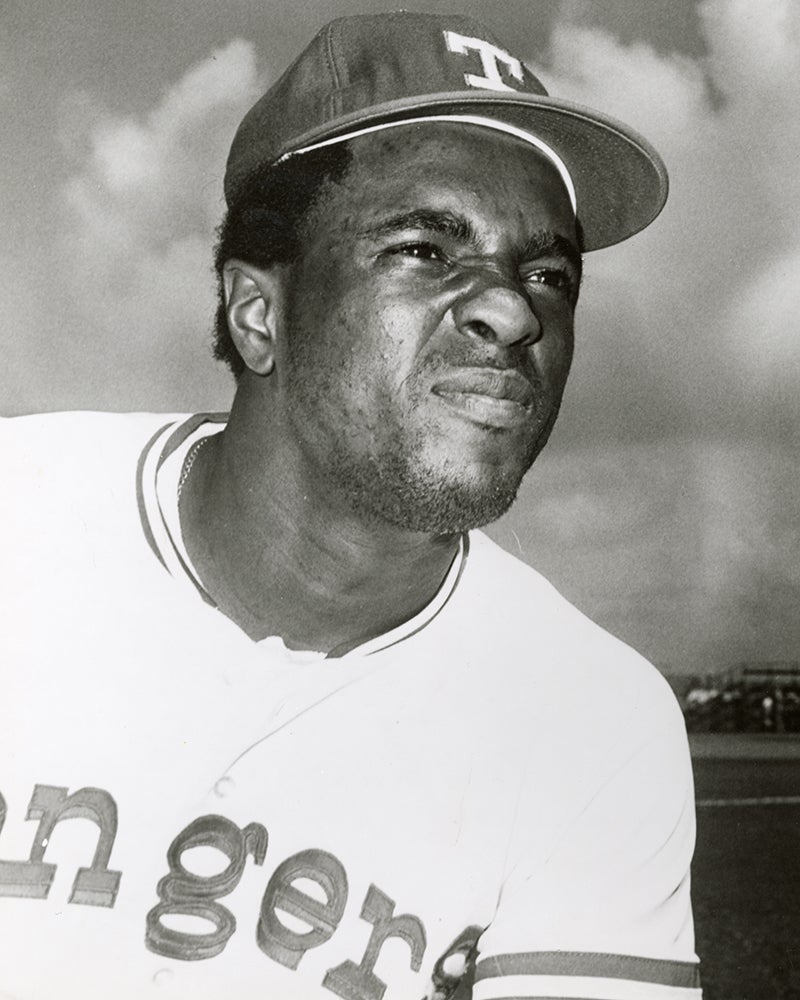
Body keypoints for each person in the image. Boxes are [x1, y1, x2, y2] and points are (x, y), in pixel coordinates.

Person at [0, 11, 702, 1000]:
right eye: (423, 249)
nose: (513, 309)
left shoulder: (592, 726)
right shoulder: (18, 520)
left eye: (546, 272)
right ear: (258, 312)